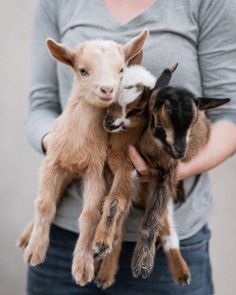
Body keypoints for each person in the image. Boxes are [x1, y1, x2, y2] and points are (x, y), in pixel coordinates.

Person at [26, 0, 236, 294]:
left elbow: (230, 115)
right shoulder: (57, 3)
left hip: (169, 239)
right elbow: (41, 106)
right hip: (64, 241)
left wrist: (171, 168)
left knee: (124, 182)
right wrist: (61, 145)